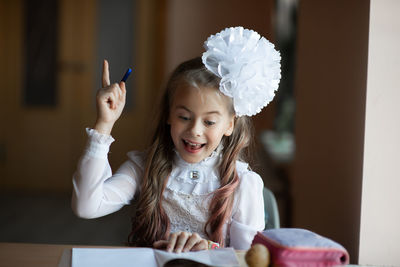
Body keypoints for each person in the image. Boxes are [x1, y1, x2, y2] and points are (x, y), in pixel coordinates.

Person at [72, 26, 281, 253]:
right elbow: (86, 206)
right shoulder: (144, 167)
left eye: (209, 122)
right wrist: (104, 124)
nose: (195, 130)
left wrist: (209, 248)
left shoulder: (243, 183)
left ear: (229, 125)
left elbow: (248, 259)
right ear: (169, 115)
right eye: (184, 117)